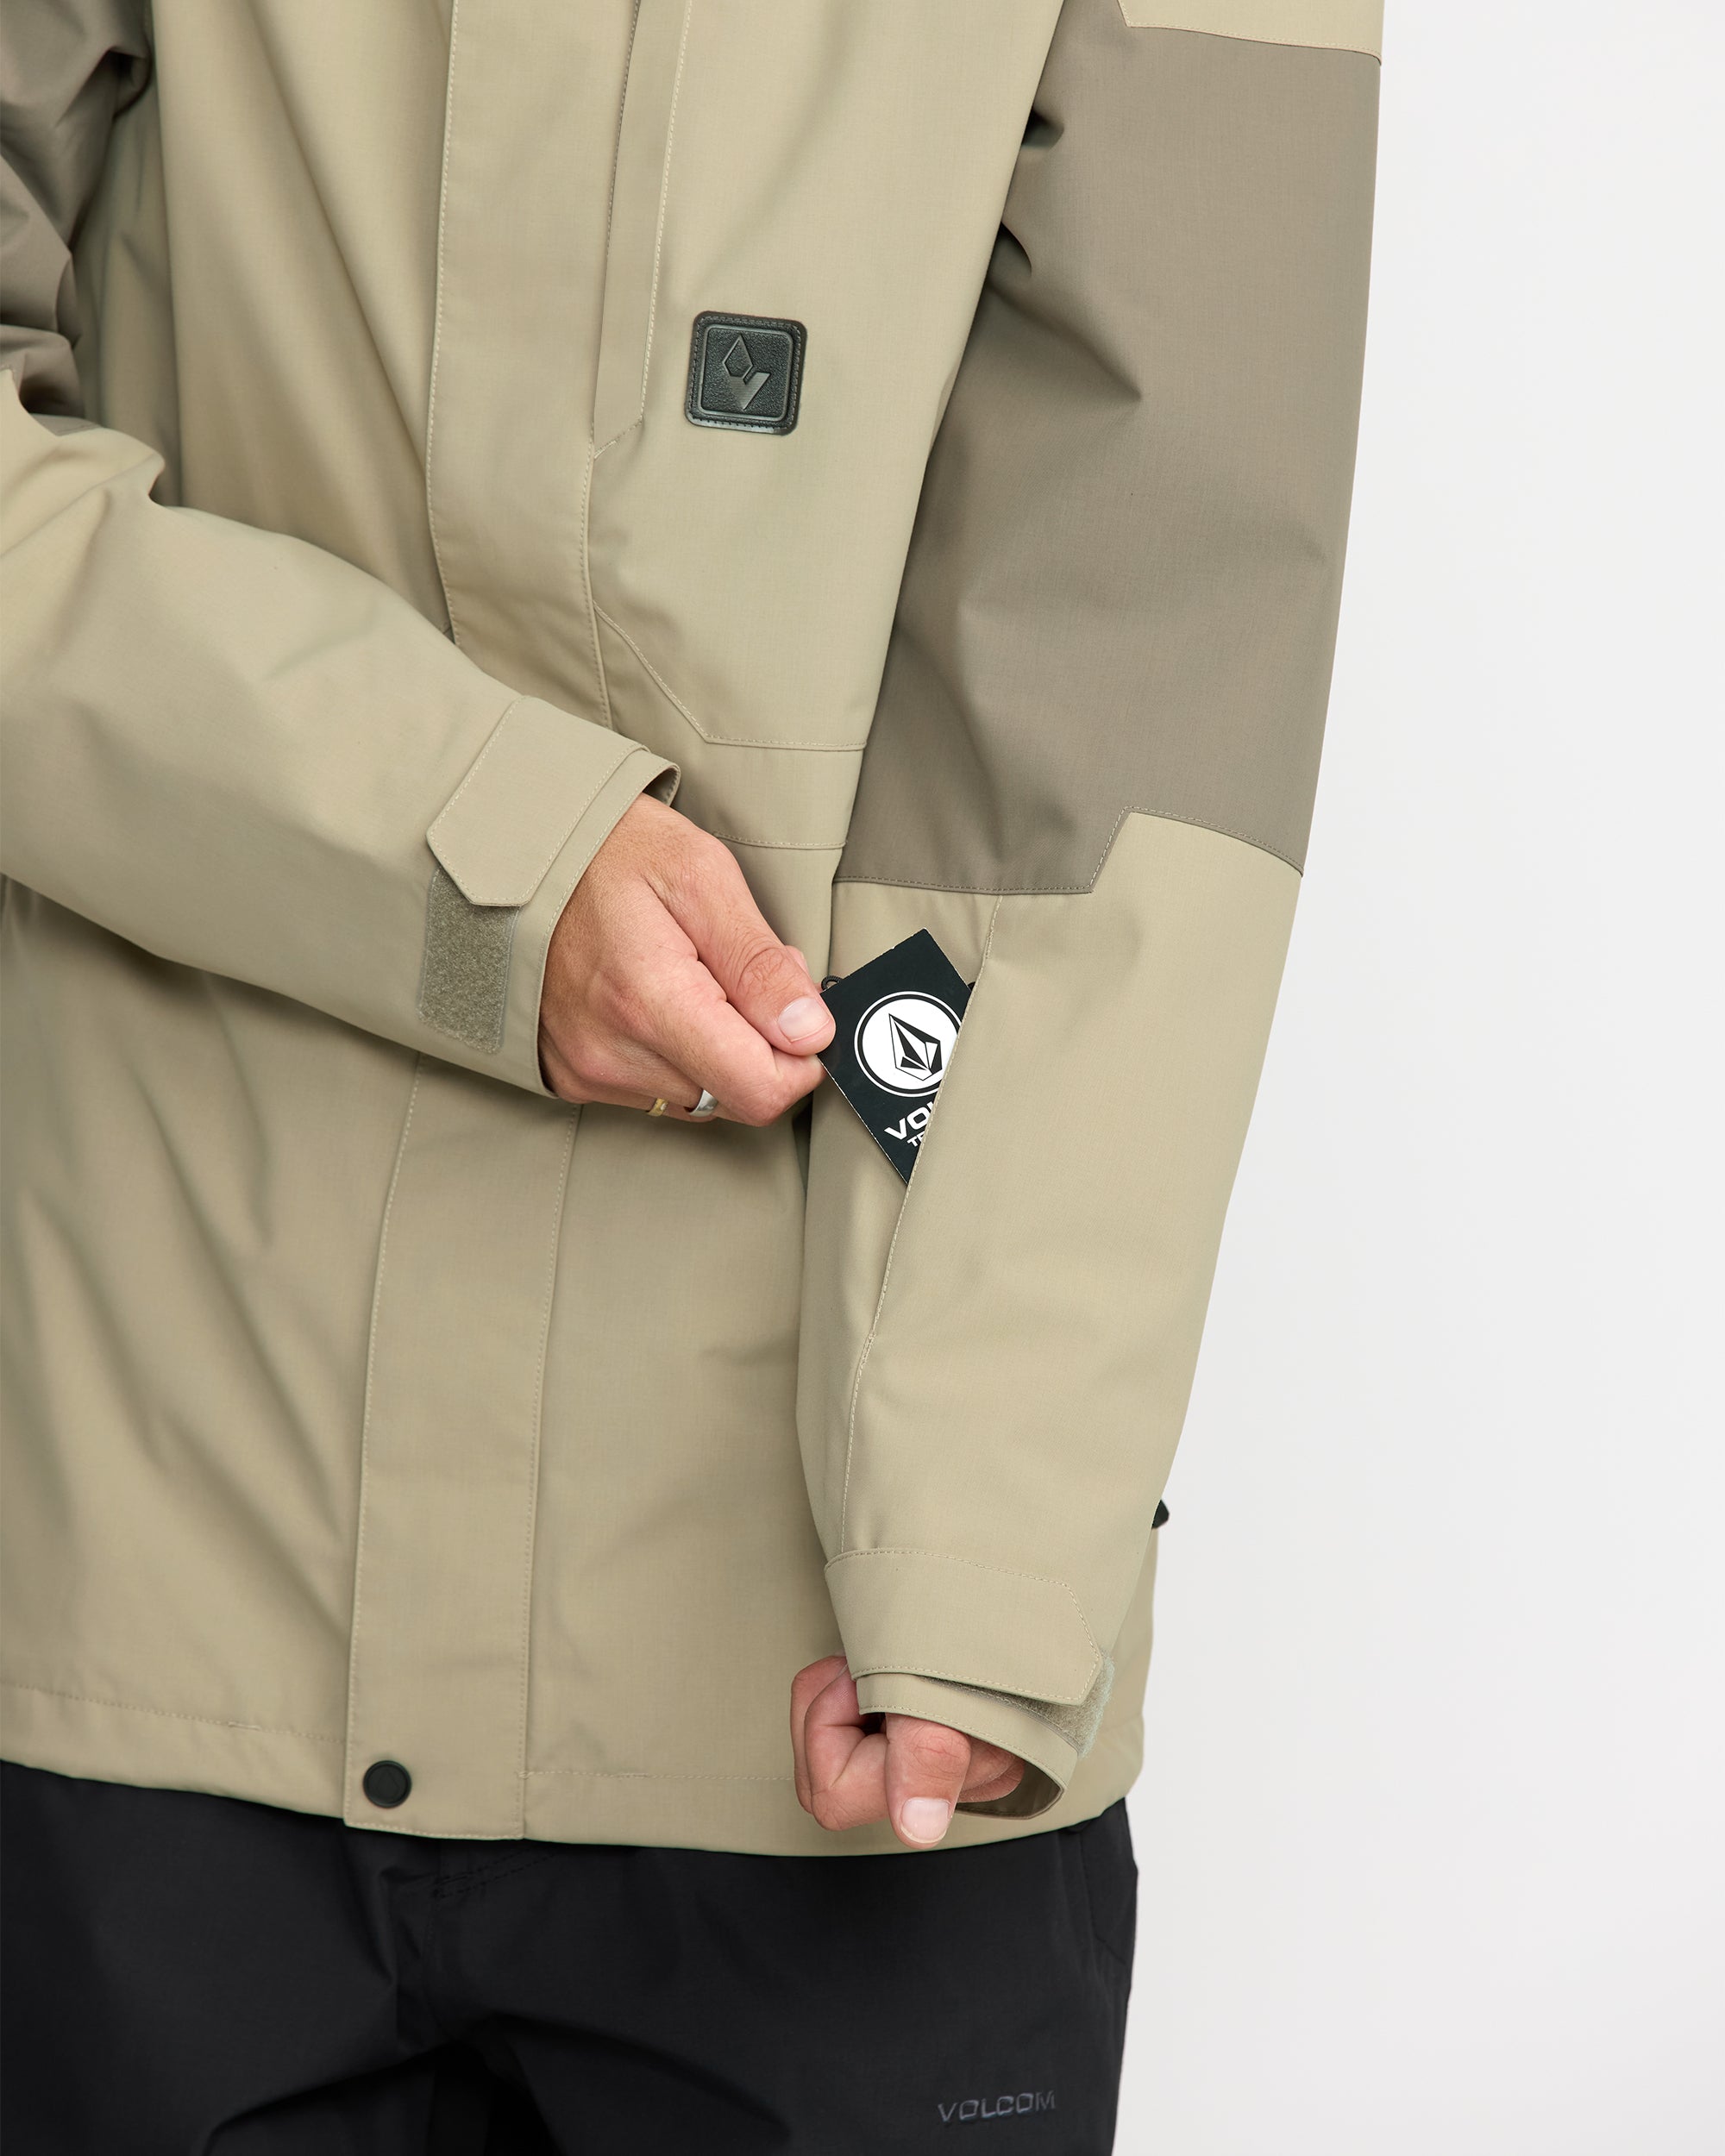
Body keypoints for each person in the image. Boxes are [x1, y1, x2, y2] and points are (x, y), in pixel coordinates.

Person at [0, 0, 1380, 2147]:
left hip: (810, 1687)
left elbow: (1106, 724)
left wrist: (978, 1544)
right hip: (139, 1594)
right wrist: (469, 858)